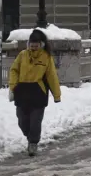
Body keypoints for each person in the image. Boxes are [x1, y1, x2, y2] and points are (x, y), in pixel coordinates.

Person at [8, 28, 61, 156]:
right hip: (22, 92)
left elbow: (52, 76)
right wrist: (13, 86)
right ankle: (30, 136)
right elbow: (14, 70)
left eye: (36, 44)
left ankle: (33, 143)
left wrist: (56, 95)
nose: (33, 46)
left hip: (38, 93)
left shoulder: (46, 57)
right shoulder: (22, 55)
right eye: (31, 44)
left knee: (35, 121)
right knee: (22, 120)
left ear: (41, 44)